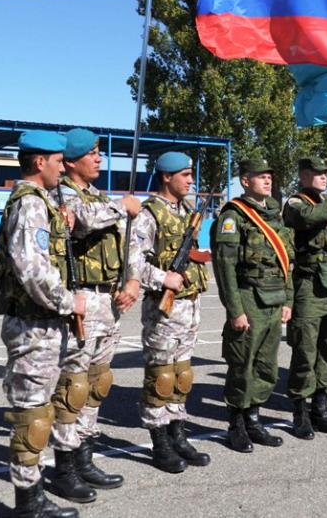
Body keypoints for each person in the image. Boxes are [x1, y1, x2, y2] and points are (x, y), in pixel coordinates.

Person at [0, 130, 86, 518]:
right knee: (31, 417)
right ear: (39, 161)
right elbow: (32, 270)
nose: (63, 168)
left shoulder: (41, 202)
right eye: (58, 161)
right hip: (33, 327)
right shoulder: (29, 204)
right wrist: (69, 302)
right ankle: (28, 504)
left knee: (43, 411)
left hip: (45, 324)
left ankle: (36, 493)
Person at [50, 128, 140, 493]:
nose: (99, 158)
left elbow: (126, 243)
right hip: (80, 300)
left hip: (108, 300)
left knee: (97, 382)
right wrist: (122, 205)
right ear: (71, 161)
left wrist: (132, 281)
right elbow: (83, 221)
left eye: (99, 152)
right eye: (92, 153)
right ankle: (64, 467)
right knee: (72, 386)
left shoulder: (99, 197)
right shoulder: (61, 194)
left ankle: (85, 456)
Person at [129, 152, 211, 472]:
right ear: (166, 177)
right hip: (164, 308)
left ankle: (178, 433)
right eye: (185, 175)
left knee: (182, 375)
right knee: (160, 376)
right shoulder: (149, 214)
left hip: (189, 305)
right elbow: (132, 262)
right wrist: (163, 278)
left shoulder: (187, 211)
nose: (191, 181)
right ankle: (159, 441)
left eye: (191, 175)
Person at [211, 158, 294, 452]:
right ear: (245, 181)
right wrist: (235, 310)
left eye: (269, 176)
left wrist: (288, 299)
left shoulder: (274, 214)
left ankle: (254, 420)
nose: (268, 180)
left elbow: (286, 263)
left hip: (274, 299)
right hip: (248, 298)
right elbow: (225, 267)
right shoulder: (234, 216)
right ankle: (236, 425)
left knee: (266, 365)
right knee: (242, 365)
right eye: (261, 176)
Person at [282, 156, 327, 439]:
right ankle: (300, 412)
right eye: (318, 173)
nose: (324, 176)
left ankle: (320, 408)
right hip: (308, 287)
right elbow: (307, 218)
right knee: (305, 351)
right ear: (304, 176)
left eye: (326, 172)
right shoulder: (296, 203)